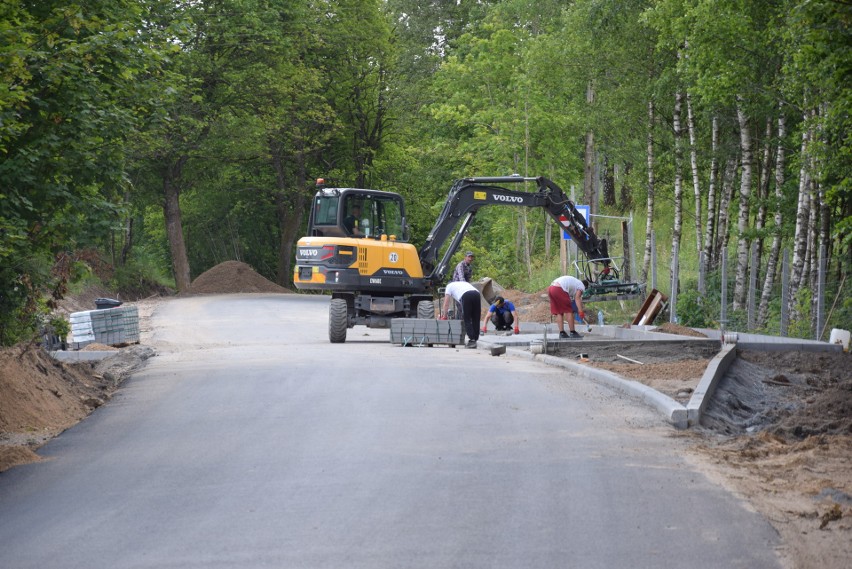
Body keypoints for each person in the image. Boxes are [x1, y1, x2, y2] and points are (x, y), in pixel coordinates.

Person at [440, 281, 481, 348]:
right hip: (477, 294)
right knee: (476, 317)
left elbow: (446, 304)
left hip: (466, 295)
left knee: (466, 318)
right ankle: (475, 339)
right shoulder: (462, 283)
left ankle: (472, 340)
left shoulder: (448, 286)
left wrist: (444, 316)